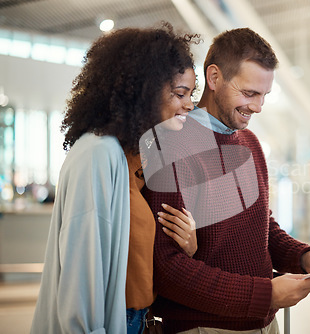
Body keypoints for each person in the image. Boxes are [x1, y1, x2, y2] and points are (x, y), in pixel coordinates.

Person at [141, 28, 310, 334]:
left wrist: (302, 256)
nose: (258, 107)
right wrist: (268, 294)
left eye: (264, 95)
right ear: (214, 77)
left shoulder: (250, 143)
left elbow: (261, 227)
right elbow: (168, 269)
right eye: (249, 93)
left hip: (263, 322)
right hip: (204, 327)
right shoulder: (173, 146)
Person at [31, 23, 199, 334]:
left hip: (136, 320)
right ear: (144, 90)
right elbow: (82, 271)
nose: (190, 104)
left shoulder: (135, 161)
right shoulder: (99, 155)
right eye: (180, 93)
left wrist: (187, 246)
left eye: (191, 94)